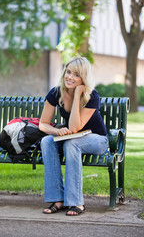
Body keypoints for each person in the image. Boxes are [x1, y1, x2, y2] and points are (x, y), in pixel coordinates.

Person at [39, 56, 109, 216]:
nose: (70, 77)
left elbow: (75, 127)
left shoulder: (92, 95)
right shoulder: (56, 93)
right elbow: (43, 124)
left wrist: (77, 96)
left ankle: (76, 201)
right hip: (72, 137)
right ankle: (58, 199)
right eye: (68, 72)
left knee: (72, 144)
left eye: (76, 74)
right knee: (46, 141)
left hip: (97, 140)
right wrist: (57, 131)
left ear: (83, 78)